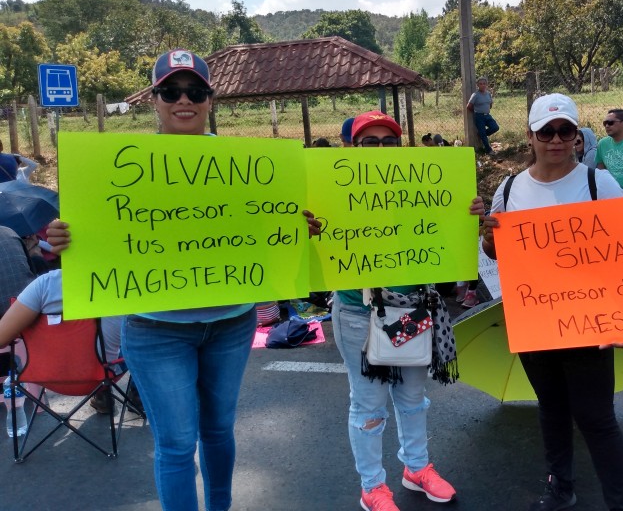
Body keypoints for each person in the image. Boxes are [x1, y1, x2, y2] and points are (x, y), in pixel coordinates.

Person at [46, 49, 322, 511]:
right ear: (154, 99)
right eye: (171, 91)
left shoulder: (248, 164)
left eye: (195, 90)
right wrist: (56, 241)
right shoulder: (114, 166)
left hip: (232, 325)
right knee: (176, 445)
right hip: (156, 331)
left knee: (219, 432)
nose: (183, 99)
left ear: (210, 99)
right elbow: (90, 236)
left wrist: (298, 229)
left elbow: (270, 227)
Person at [481, 93, 623, 511]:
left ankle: (621, 504)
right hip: (535, 322)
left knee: (597, 420)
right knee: (550, 409)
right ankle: (560, 486)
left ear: (576, 135)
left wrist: (621, 320)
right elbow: (494, 252)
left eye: (565, 130)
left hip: (591, 325)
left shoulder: (598, 183)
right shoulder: (510, 188)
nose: (556, 139)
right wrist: (489, 237)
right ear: (530, 136)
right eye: (546, 131)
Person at [331, 110, 484, 511]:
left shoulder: (420, 185)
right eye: (370, 143)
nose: (381, 150)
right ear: (352, 148)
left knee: (413, 396)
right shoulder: (330, 191)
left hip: (413, 310)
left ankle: (416, 467)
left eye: (390, 142)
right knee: (368, 405)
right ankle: (372, 487)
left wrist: (467, 214)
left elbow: (448, 237)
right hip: (358, 314)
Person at [467, 77, 499, 155]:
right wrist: (476, 112)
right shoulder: (475, 95)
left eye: (484, 84)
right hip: (479, 116)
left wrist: (487, 110)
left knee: (495, 127)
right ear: (478, 85)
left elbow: (490, 103)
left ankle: (481, 134)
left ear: (486, 85)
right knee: (483, 134)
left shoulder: (488, 94)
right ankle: (489, 150)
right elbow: (469, 106)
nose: (482, 85)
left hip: (487, 115)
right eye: (480, 84)